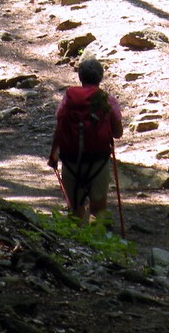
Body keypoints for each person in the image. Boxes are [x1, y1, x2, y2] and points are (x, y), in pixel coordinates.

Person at [48, 57, 123, 225]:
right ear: (100, 77)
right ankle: (98, 242)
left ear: (80, 77)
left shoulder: (69, 98)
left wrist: (53, 154)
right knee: (98, 207)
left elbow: (60, 125)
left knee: (75, 207)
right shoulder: (107, 100)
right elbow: (118, 133)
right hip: (98, 160)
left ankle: (76, 244)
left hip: (71, 159)